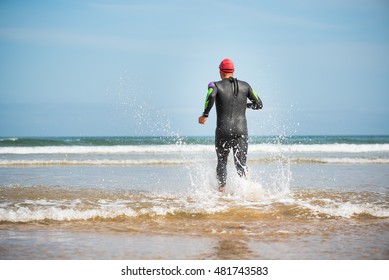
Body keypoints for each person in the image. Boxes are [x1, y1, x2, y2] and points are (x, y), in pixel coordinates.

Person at [198, 58, 263, 192]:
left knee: (222, 162)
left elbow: (210, 96)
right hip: (241, 130)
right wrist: (245, 105)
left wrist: (205, 115)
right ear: (233, 71)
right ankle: (245, 192)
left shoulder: (214, 85)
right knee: (241, 163)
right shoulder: (246, 86)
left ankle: (221, 191)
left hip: (223, 130)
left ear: (220, 71)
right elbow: (259, 104)